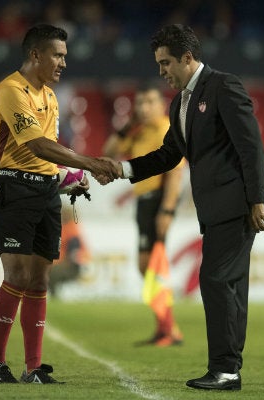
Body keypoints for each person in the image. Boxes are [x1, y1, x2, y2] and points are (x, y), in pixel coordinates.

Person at [99, 24, 264, 391]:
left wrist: (256, 197)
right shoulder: (180, 102)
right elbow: (168, 155)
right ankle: (228, 368)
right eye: (158, 64)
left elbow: (251, 144)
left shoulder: (223, 86)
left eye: (165, 63)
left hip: (236, 206)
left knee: (215, 280)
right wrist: (123, 169)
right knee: (229, 287)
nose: (161, 71)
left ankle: (225, 369)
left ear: (187, 58)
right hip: (212, 210)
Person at [0, 23, 118, 385]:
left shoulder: (51, 97)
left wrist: (70, 176)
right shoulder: (11, 91)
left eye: (65, 56)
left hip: (44, 192)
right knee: (18, 275)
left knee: (40, 279)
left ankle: (33, 369)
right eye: (57, 55)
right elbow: (37, 145)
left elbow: (49, 155)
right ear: (35, 54)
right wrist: (90, 162)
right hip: (13, 189)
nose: (63, 63)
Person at [103, 85, 185, 347]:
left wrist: (167, 210)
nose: (143, 108)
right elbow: (109, 153)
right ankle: (166, 328)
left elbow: (175, 172)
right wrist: (129, 126)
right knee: (148, 265)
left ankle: (169, 330)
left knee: (153, 265)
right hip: (144, 200)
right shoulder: (138, 131)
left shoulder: (165, 129)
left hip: (158, 200)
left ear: (161, 104)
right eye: (139, 103)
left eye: (149, 102)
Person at [47, 204, 90, 296]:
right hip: (59, 264)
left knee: (51, 272)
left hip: (70, 266)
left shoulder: (71, 230)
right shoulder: (63, 228)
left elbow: (74, 252)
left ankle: (54, 296)